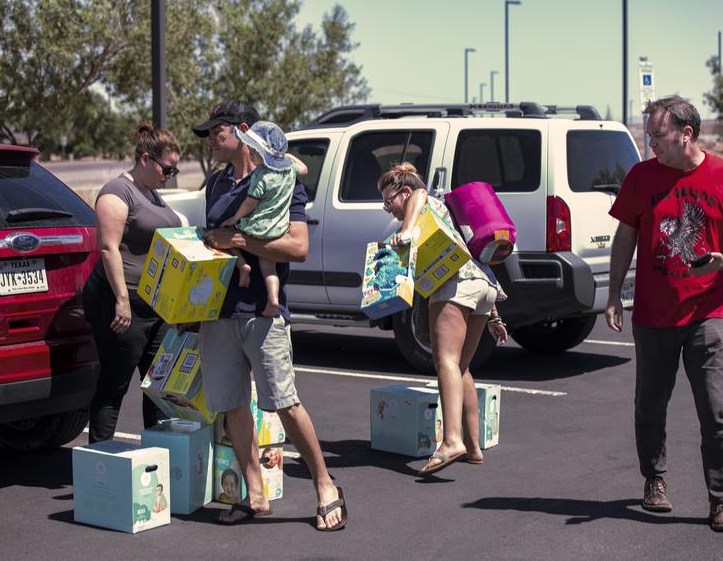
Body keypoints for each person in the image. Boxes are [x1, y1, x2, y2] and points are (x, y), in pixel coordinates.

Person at [605, 96, 723, 532]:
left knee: (716, 411)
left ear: (686, 134)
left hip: (706, 313)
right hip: (653, 316)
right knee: (650, 406)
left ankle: (722, 500)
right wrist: (614, 293)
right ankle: (654, 481)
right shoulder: (641, 177)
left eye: (657, 134)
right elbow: (626, 236)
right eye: (648, 133)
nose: (649, 141)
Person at [192, 99, 348, 531]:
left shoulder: (282, 180)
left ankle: (324, 485)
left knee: (284, 402)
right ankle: (255, 493)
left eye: (216, 133)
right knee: (231, 405)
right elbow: (215, 242)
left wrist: (239, 240)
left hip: (264, 312)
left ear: (242, 132)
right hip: (218, 313)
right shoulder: (215, 184)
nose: (210, 141)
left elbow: (297, 247)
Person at [377, 162, 509, 476]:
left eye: (389, 201)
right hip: (482, 287)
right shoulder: (436, 212)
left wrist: (407, 230)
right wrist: (493, 316)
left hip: (453, 287)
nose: (388, 209)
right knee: (460, 368)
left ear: (404, 192)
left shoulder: (420, 202)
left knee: (445, 361)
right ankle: (473, 447)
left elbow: (420, 192)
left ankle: (451, 441)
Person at [82, 122, 182, 443]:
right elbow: (109, 247)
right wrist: (122, 300)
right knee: (115, 384)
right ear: (144, 159)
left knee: (158, 385)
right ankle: (101, 463)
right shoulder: (117, 192)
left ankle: (160, 459)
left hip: (154, 304)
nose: (170, 176)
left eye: (174, 170)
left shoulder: (151, 193)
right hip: (121, 302)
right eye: (167, 168)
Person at [219, 120, 308, 317]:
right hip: (279, 228)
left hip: (258, 227)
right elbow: (304, 169)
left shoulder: (261, 176)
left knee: (227, 237)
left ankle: (243, 265)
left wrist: (234, 218)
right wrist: (287, 157)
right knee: (269, 269)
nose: (250, 153)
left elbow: (249, 203)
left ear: (261, 155)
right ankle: (273, 298)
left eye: (253, 151)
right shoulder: (289, 171)